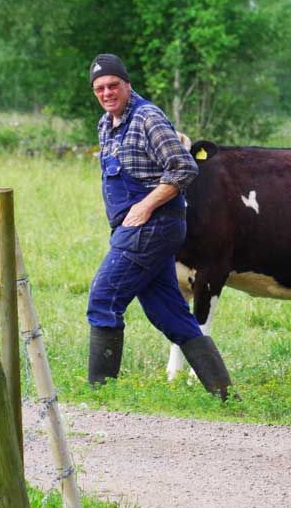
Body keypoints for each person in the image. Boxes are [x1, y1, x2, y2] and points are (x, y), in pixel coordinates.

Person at [85, 53, 233, 400]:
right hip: (133, 229)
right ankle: (223, 394)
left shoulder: (148, 118)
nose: (107, 93)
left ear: (127, 85)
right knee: (170, 313)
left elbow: (184, 168)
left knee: (103, 298)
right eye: (100, 88)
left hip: (153, 225)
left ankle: (100, 395)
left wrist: (146, 204)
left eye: (113, 86)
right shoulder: (106, 124)